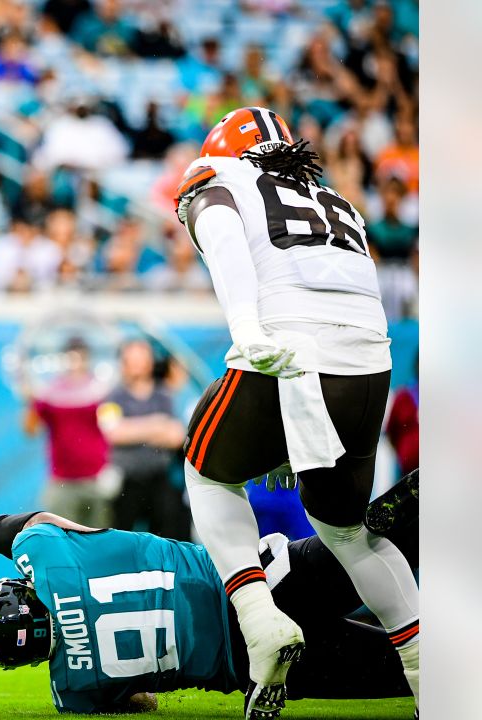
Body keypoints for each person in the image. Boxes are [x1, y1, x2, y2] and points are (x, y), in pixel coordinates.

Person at [172, 106, 418, 717]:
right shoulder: (338, 199)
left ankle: (260, 620)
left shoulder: (218, 174)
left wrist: (247, 327)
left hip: (286, 346)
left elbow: (223, 233)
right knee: (346, 532)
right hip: (367, 361)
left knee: (208, 473)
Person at [0, 470, 419, 714]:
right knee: (393, 533)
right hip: (259, 583)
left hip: (248, 663)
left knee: (421, 673)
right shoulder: (48, 551)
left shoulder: (74, 689)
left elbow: (139, 700)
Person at [99, 339, 187, 539]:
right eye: (133, 360)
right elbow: (114, 433)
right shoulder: (113, 396)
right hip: (126, 482)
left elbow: (176, 436)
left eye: (142, 359)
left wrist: (133, 429)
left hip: (160, 478)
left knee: (170, 536)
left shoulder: (164, 394)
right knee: (120, 538)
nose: (138, 365)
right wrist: (157, 424)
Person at [22, 337, 113, 528]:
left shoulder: (101, 390)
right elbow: (31, 429)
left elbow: (113, 427)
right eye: (71, 357)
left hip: (97, 480)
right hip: (62, 482)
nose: (75, 363)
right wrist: (29, 398)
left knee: (99, 543)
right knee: (60, 542)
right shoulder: (50, 392)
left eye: (80, 357)